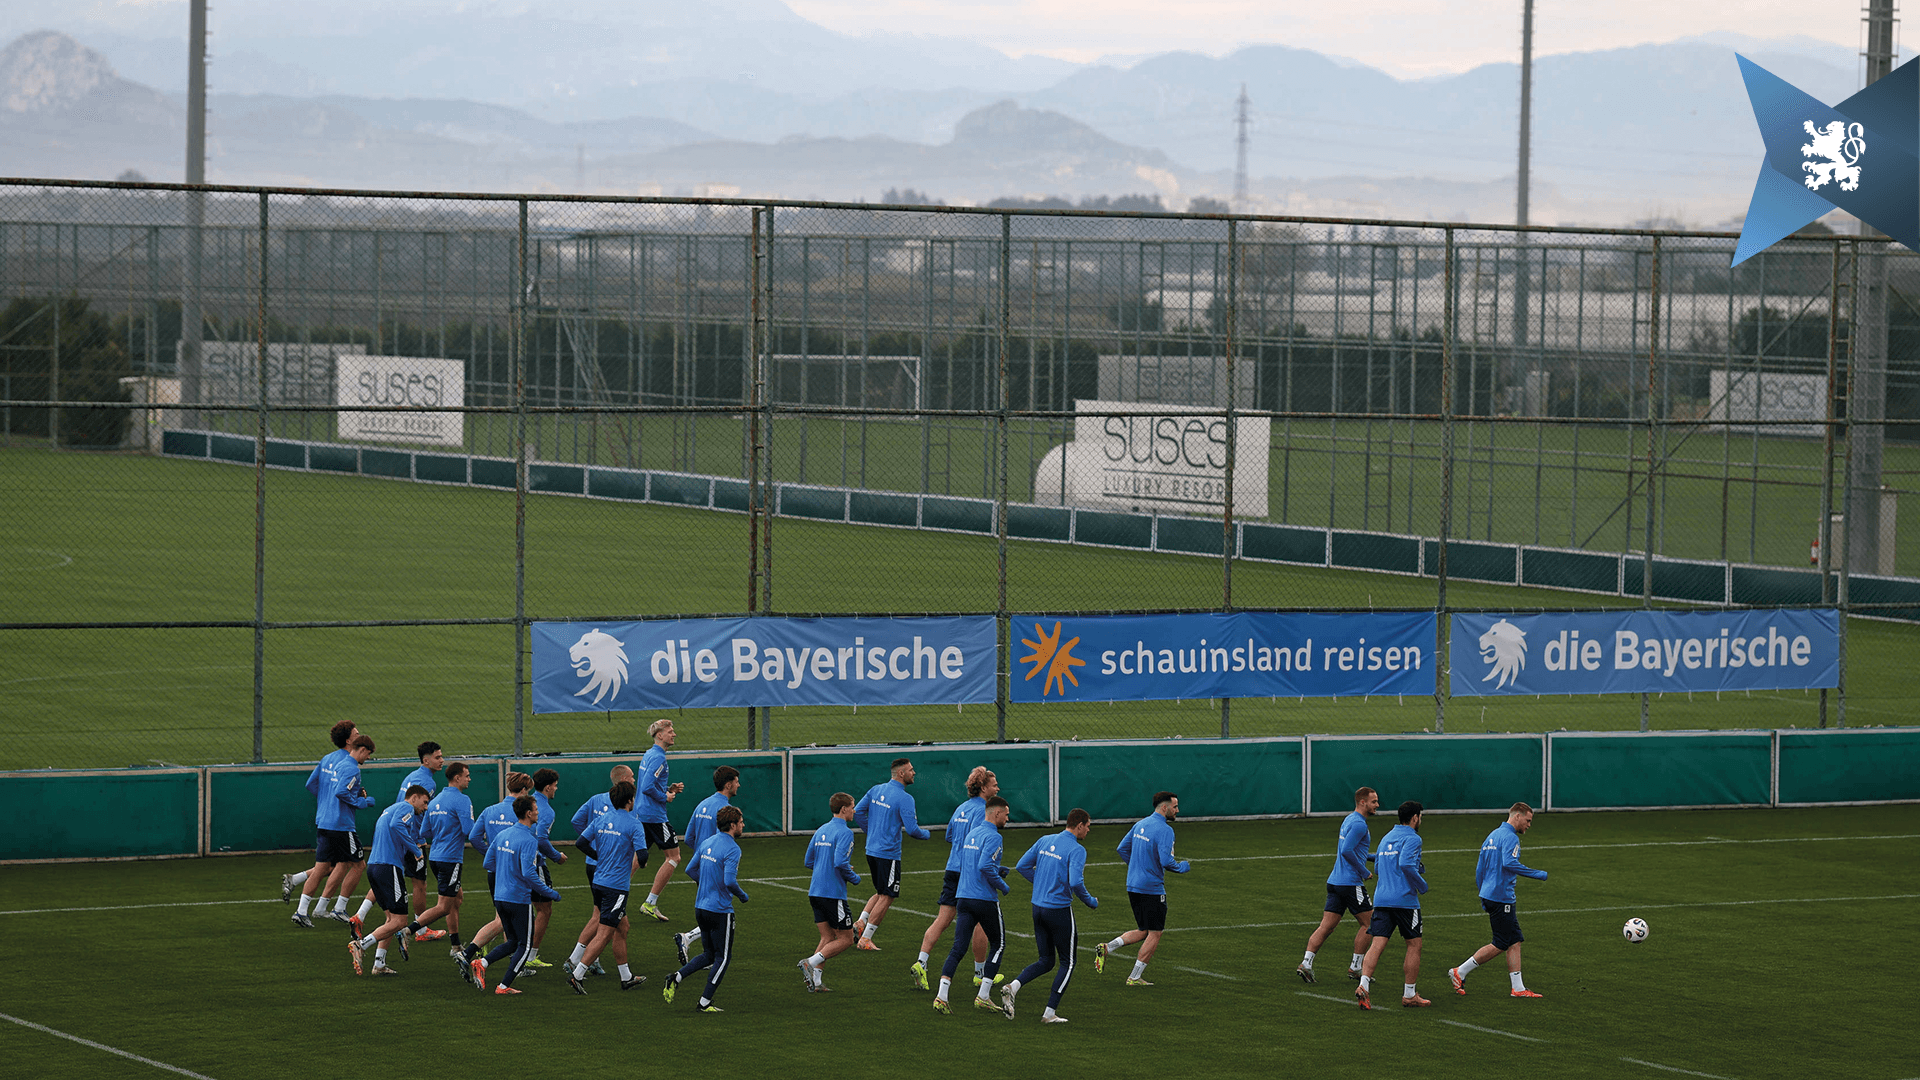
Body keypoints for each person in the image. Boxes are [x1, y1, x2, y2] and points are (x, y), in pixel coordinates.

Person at [1002, 808, 1098, 1023]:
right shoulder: (1077, 849)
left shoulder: (1045, 839)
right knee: (1069, 962)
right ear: (1080, 825)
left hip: (1038, 908)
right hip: (1059, 910)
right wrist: (1090, 901)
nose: (1089, 830)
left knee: (1046, 960)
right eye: (1088, 826)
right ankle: (1049, 1013)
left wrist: (1042, 884)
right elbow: (1075, 882)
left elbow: (1022, 866)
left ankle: (1013, 987)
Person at [1449, 802, 1549, 999]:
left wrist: (1482, 892)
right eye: (1528, 821)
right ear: (1517, 816)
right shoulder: (1511, 837)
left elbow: (1480, 867)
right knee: (1501, 942)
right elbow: (1509, 862)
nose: (1528, 825)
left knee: (1515, 940)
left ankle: (1518, 988)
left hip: (1490, 894)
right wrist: (1537, 874)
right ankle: (1460, 971)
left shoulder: (1492, 835)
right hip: (1501, 896)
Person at [911, 766, 996, 990]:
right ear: (984, 787)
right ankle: (980, 973)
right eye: (994, 785)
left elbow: (949, 835)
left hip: (952, 868)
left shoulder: (961, 808)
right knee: (980, 922)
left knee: (943, 919)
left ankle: (921, 962)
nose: (998, 788)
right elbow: (980, 842)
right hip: (970, 873)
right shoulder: (984, 811)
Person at [352, 740, 447, 937]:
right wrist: (417, 843)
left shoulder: (411, 776)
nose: (442, 761)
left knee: (388, 880)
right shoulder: (428, 783)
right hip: (411, 838)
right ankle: (420, 928)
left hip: (398, 837)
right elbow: (419, 812)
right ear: (426, 760)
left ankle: (360, 915)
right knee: (419, 884)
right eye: (438, 757)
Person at [470, 793, 561, 995]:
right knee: (525, 945)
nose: (538, 812)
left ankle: (482, 962)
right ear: (529, 813)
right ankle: (503, 986)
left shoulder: (503, 834)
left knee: (512, 942)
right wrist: (549, 893)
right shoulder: (529, 839)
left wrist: (506, 872)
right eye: (536, 809)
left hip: (500, 897)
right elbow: (529, 873)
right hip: (518, 898)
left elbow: (488, 863)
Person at [564, 780, 650, 994]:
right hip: (617, 887)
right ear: (630, 800)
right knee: (604, 933)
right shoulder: (633, 823)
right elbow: (643, 855)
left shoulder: (601, 819)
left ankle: (626, 977)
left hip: (599, 883)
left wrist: (599, 856)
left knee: (623, 927)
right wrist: (642, 861)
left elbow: (580, 843)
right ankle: (577, 975)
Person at [1097, 791, 1190, 986]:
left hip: (1133, 885)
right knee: (1155, 932)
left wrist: (1136, 867)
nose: (1177, 810)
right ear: (1164, 808)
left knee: (1144, 929)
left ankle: (1107, 948)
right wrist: (1182, 867)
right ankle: (1135, 977)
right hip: (1151, 888)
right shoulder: (1165, 830)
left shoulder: (1140, 824)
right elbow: (1166, 861)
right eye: (1175, 807)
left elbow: (1122, 848)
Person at [663, 806, 749, 1013]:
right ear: (732, 825)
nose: (743, 825)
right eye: (741, 822)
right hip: (720, 910)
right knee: (723, 957)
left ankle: (676, 977)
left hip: (700, 907)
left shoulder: (707, 842)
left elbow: (690, 869)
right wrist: (741, 895)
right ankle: (704, 1003)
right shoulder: (733, 849)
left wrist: (706, 884)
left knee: (709, 954)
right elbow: (729, 881)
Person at [931, 796, 1011, 1015]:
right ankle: (983, 996)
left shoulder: (972, 834)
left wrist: (998, 868)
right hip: (984, 899)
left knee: (958, 947)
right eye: (1006, 814)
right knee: (999, 944)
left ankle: (942, 996)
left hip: (963, 898)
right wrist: (1002, 885)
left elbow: (973, 864)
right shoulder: (994, 836)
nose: (1007, 818)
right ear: (996, 813)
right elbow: (985, 865)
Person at [347, 785, 433, 976]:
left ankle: (379, 964)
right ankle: (361, 945)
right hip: (389, 867)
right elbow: (397, 825)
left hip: (375, 867)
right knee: (401, 921)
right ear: (414, 798)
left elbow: (394, 829)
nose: (425, 808)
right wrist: (415, 849)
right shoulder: (406, 808)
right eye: (425, 802)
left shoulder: (389, 809)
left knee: (391, 920)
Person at [291, 733, 376, 928]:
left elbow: (327, 787)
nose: (368, 758)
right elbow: (341, 792)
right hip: (342, 825)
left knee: (322, 867)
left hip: (325, 823)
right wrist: (361, 802)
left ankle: (302, 911)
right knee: (359, 865)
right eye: (368, 754)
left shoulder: (337, 764)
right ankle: (339, 908)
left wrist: (353, 794)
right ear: (362, 749)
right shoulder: (352, 768)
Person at [1298, 786, 1380, 984]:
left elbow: (1353, 850)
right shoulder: (1360, 824)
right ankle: (1355, 968)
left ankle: (1306, 964)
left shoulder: (1349, 819)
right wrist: (1364, 872)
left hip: (1335, 882)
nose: (1377, 805)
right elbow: (1346, 851)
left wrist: (1377, 858)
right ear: (1363, 802)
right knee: (1369, 925)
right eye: (1374, 801)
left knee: (1326, 927)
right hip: (1351, 884)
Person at [851, 757, 931, 950]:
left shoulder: (876, 789)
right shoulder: (905, 798)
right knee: (888, 896)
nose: (914, 773)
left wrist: (872, 832)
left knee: (881, 892)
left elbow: (857, 812)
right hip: (888, 853)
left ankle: (860, 923)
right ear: (901, 773)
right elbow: (912, 830)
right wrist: (926, 834)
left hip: (872, 850)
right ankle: (866, 939)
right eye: (911, 770)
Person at [459, 771, 535, 972]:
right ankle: (469, 953)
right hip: (514, 876)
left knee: (502, 919)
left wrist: (492, 856)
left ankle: (510, 960)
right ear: (524, 790)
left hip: (495, 872)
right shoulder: (522, 813)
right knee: (508, 920)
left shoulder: (490, 810)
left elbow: (475, 837)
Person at [1357, 800, 1429, 1009]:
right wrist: (1421, 885)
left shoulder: (1387, 837)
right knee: (1414, 944)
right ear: (1415, 818)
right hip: (1405, 901)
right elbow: (1406, 863)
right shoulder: (1413, 838)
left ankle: (1364, 985)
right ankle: (1409, 994)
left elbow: (1378, 867)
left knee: (1377, 944)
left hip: (1382, 899)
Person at [283, 720, 358, 908]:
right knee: (350, 864)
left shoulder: (327, 758)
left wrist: (326, 799)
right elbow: (343, 791)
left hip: (323, 819)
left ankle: (298, 885)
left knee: (327, 865)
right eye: (356, 734)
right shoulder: (349, 762)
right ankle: (330, 907)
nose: (360, 737)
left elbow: (311, 784)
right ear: (348, 740)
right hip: (340, 821)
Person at [670, 765, 741, 964]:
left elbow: (690, 838)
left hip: (701, 866)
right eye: (736, 782)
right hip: (715, 869)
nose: (739, 785)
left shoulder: (702, 804)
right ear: (728, 784)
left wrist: (702, 856)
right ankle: (690, 940)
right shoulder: (725, 811)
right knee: (719, 915)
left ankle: (706, 954)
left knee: (708, 913)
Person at [797, 792, 862, 992]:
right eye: (852, 806)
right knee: (846, 939)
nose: (854, 810)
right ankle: (810, 962)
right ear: (843, 809)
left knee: (827, 937)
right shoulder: (845, 832)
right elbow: (840, 862)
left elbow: (809, 861)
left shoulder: (821, 830)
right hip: (832, 893)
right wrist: (854, 878)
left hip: (815, 891)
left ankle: (816, 982)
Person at [416, 761, 477, 958]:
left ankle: (456, 945)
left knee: (456, 899)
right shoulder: (462, 800)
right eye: (467, 776)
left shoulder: (434, 801)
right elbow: (469, 831)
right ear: (457, 778)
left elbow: (424, 831)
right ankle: (408, 930)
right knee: (444, 905)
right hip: (451, 859)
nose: (469, 779)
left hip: (435, 857)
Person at [635, 719, 687, 922]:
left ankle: (615, 893)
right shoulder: (658, 758)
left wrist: (668, 789)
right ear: (660, 735)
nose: (674, 734)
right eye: (670, 731)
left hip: (642, 813)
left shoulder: (650, 754)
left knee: (638, 857)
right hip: (654, 816)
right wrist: (665, 796)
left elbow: (649, 783)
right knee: (674, 857)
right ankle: (650, 902)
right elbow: (648, 786)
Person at [521, 768, 569, 970]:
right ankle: (530, 955)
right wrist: (557, 856)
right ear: (548, 787)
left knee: (515, 906)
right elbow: (541, 839)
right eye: (556, 786)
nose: (557, 789)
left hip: (515, 860)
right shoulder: (545, 811)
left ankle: (484, 943)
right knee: (544, 909)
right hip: (534, 862)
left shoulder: (525, 801)